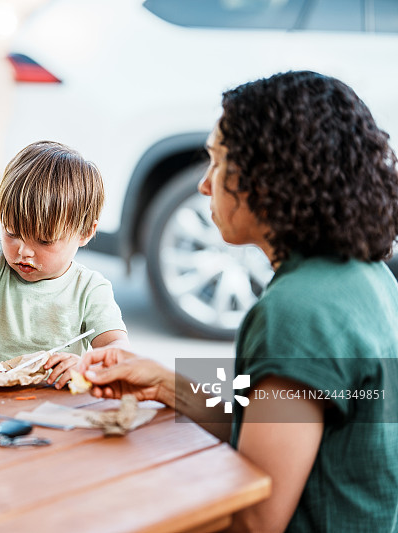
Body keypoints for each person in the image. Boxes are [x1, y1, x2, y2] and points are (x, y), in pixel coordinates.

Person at [75, 71, 398, 532]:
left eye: (218, 162)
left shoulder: (298, 311)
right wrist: (164, 382)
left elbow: (254, 519)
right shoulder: (367, 276)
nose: (205, 184)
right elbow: (274, 414)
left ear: (267, 177)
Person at [0, 140, 131, 384]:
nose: (23, 251)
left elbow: (119, 350)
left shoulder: (89, 290)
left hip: (51, 406)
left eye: (44, 241)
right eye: (12, 232)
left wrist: (86, 365)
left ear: (85, 232)